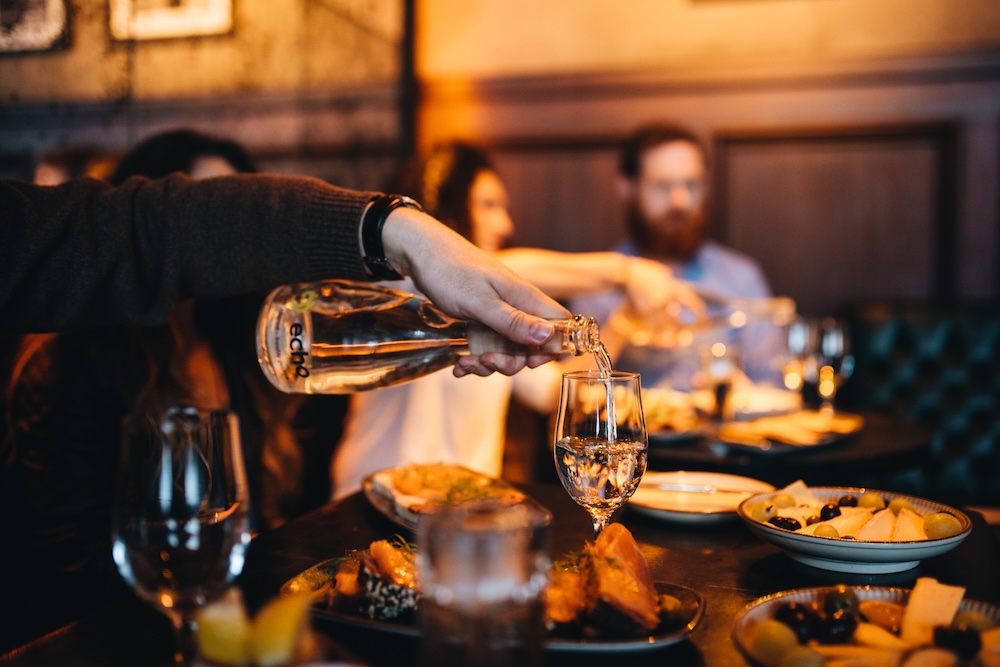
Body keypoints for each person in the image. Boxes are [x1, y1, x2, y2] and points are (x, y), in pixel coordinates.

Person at [330, 142, 703, 499]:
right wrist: (625, 271)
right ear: (446, 208)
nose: (505, 223)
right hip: (371, 498)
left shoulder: (490, 315)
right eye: (489, 205)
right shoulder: (400, 284)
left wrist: (622, 325)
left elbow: (553, 392)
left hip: (459, 512)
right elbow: (485, 268)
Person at [571, 122, 784, 391]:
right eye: (663, 186)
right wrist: (622, 324)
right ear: (627, 188)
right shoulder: (596, 286)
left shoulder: (741, 278)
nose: (680, 201)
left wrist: (745, 397)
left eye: (691, 185)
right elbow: (573, 393)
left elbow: (776, 386)